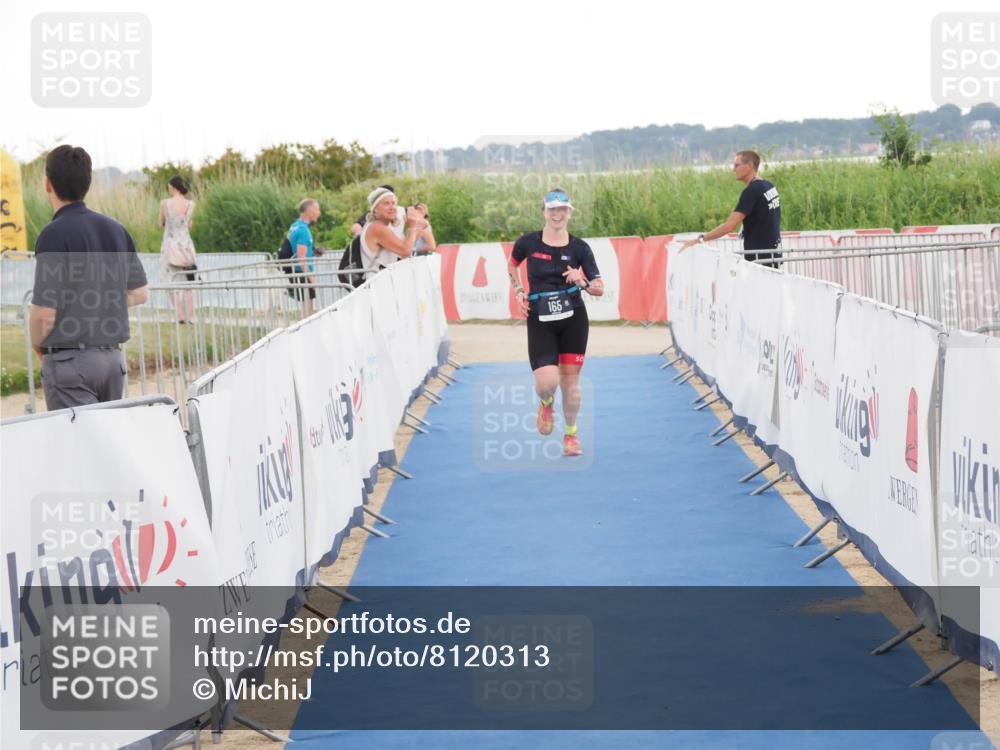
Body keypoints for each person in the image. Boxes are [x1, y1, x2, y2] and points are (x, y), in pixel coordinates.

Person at [30, 145, 149, 410]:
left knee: (76, 447)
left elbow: (44, 314)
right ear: (88, 182)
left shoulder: (53, 235)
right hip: (112, 362)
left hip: (71, 364)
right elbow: (141, 293)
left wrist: (39, 348)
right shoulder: (117, 229)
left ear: (47, 184)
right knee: (102, 445)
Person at [508, 188, 604, 457]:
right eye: (552, 209)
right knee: (547, 381)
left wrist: (581, 280)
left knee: (570, 381)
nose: (557, 214)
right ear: (545, 212)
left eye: (562, 209)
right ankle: (546, 401)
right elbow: (512, 265)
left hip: (573, 317)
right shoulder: (527, 243)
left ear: (569, 213)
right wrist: (517, 290)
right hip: (540, 318)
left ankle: (571, 435)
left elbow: (599, 287)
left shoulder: (580, 248)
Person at [679, 149, 782, 266]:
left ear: (749, 166)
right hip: (774, 253)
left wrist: (700, 239)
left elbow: (730, 225)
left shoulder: (751, 191)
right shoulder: (769, 186)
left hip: (759, 258)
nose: (733, 169)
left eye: (737, 165)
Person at [358, 187, 426, 274]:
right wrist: (412, 227)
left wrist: (415, 227)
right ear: (375, 209)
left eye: (393, 203)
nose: (392, 207)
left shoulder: (385, 227)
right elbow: (405, 251)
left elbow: (404, 252)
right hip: (378, 283)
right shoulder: (376, 227)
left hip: (384, 280)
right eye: (386, 204)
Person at [158, 175, 197, 323]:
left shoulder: (165, 204)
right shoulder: (191, 204)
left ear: (173, 187)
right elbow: (189, 224)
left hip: (170, 248)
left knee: (170, 282)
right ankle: (191, 316)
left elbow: (161, 224)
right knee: (189, 283)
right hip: (187, 247)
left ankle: (180, 315)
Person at [288, 198, 320, 318]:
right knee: (308, 312)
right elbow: (301, 258)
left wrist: (314, 253)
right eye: (317, 209)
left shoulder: (294, 226)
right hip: (303, 272)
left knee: (305, 310)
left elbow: (297, 252)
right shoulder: (303, 231)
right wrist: (312, 279)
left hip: (296, 272)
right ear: (309, 210)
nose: (319, 212)